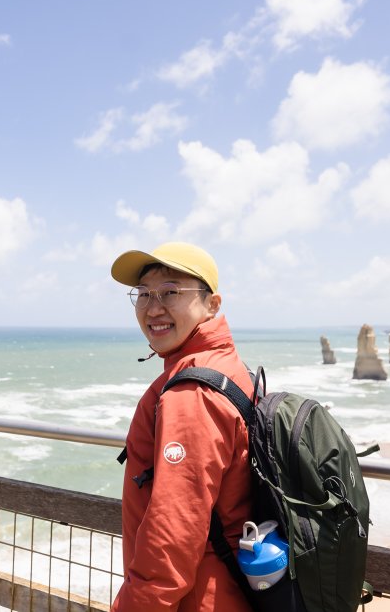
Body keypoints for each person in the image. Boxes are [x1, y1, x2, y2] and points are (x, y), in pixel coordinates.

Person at [110, 242, 254, 612]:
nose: (153, 307)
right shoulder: (221, 366)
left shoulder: (192, 393)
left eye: (171, 292)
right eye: (143, 294)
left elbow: (172, 534)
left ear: (212, 305)